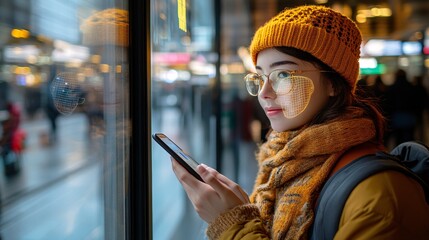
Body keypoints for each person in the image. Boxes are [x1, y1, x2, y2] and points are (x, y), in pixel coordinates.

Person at [170, 5, 429, 239]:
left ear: (333, 83)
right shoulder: (280, 165)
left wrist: (232, 225)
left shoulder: (380, 196)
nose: (264, 92)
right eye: (260, 77)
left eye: (283, 74)